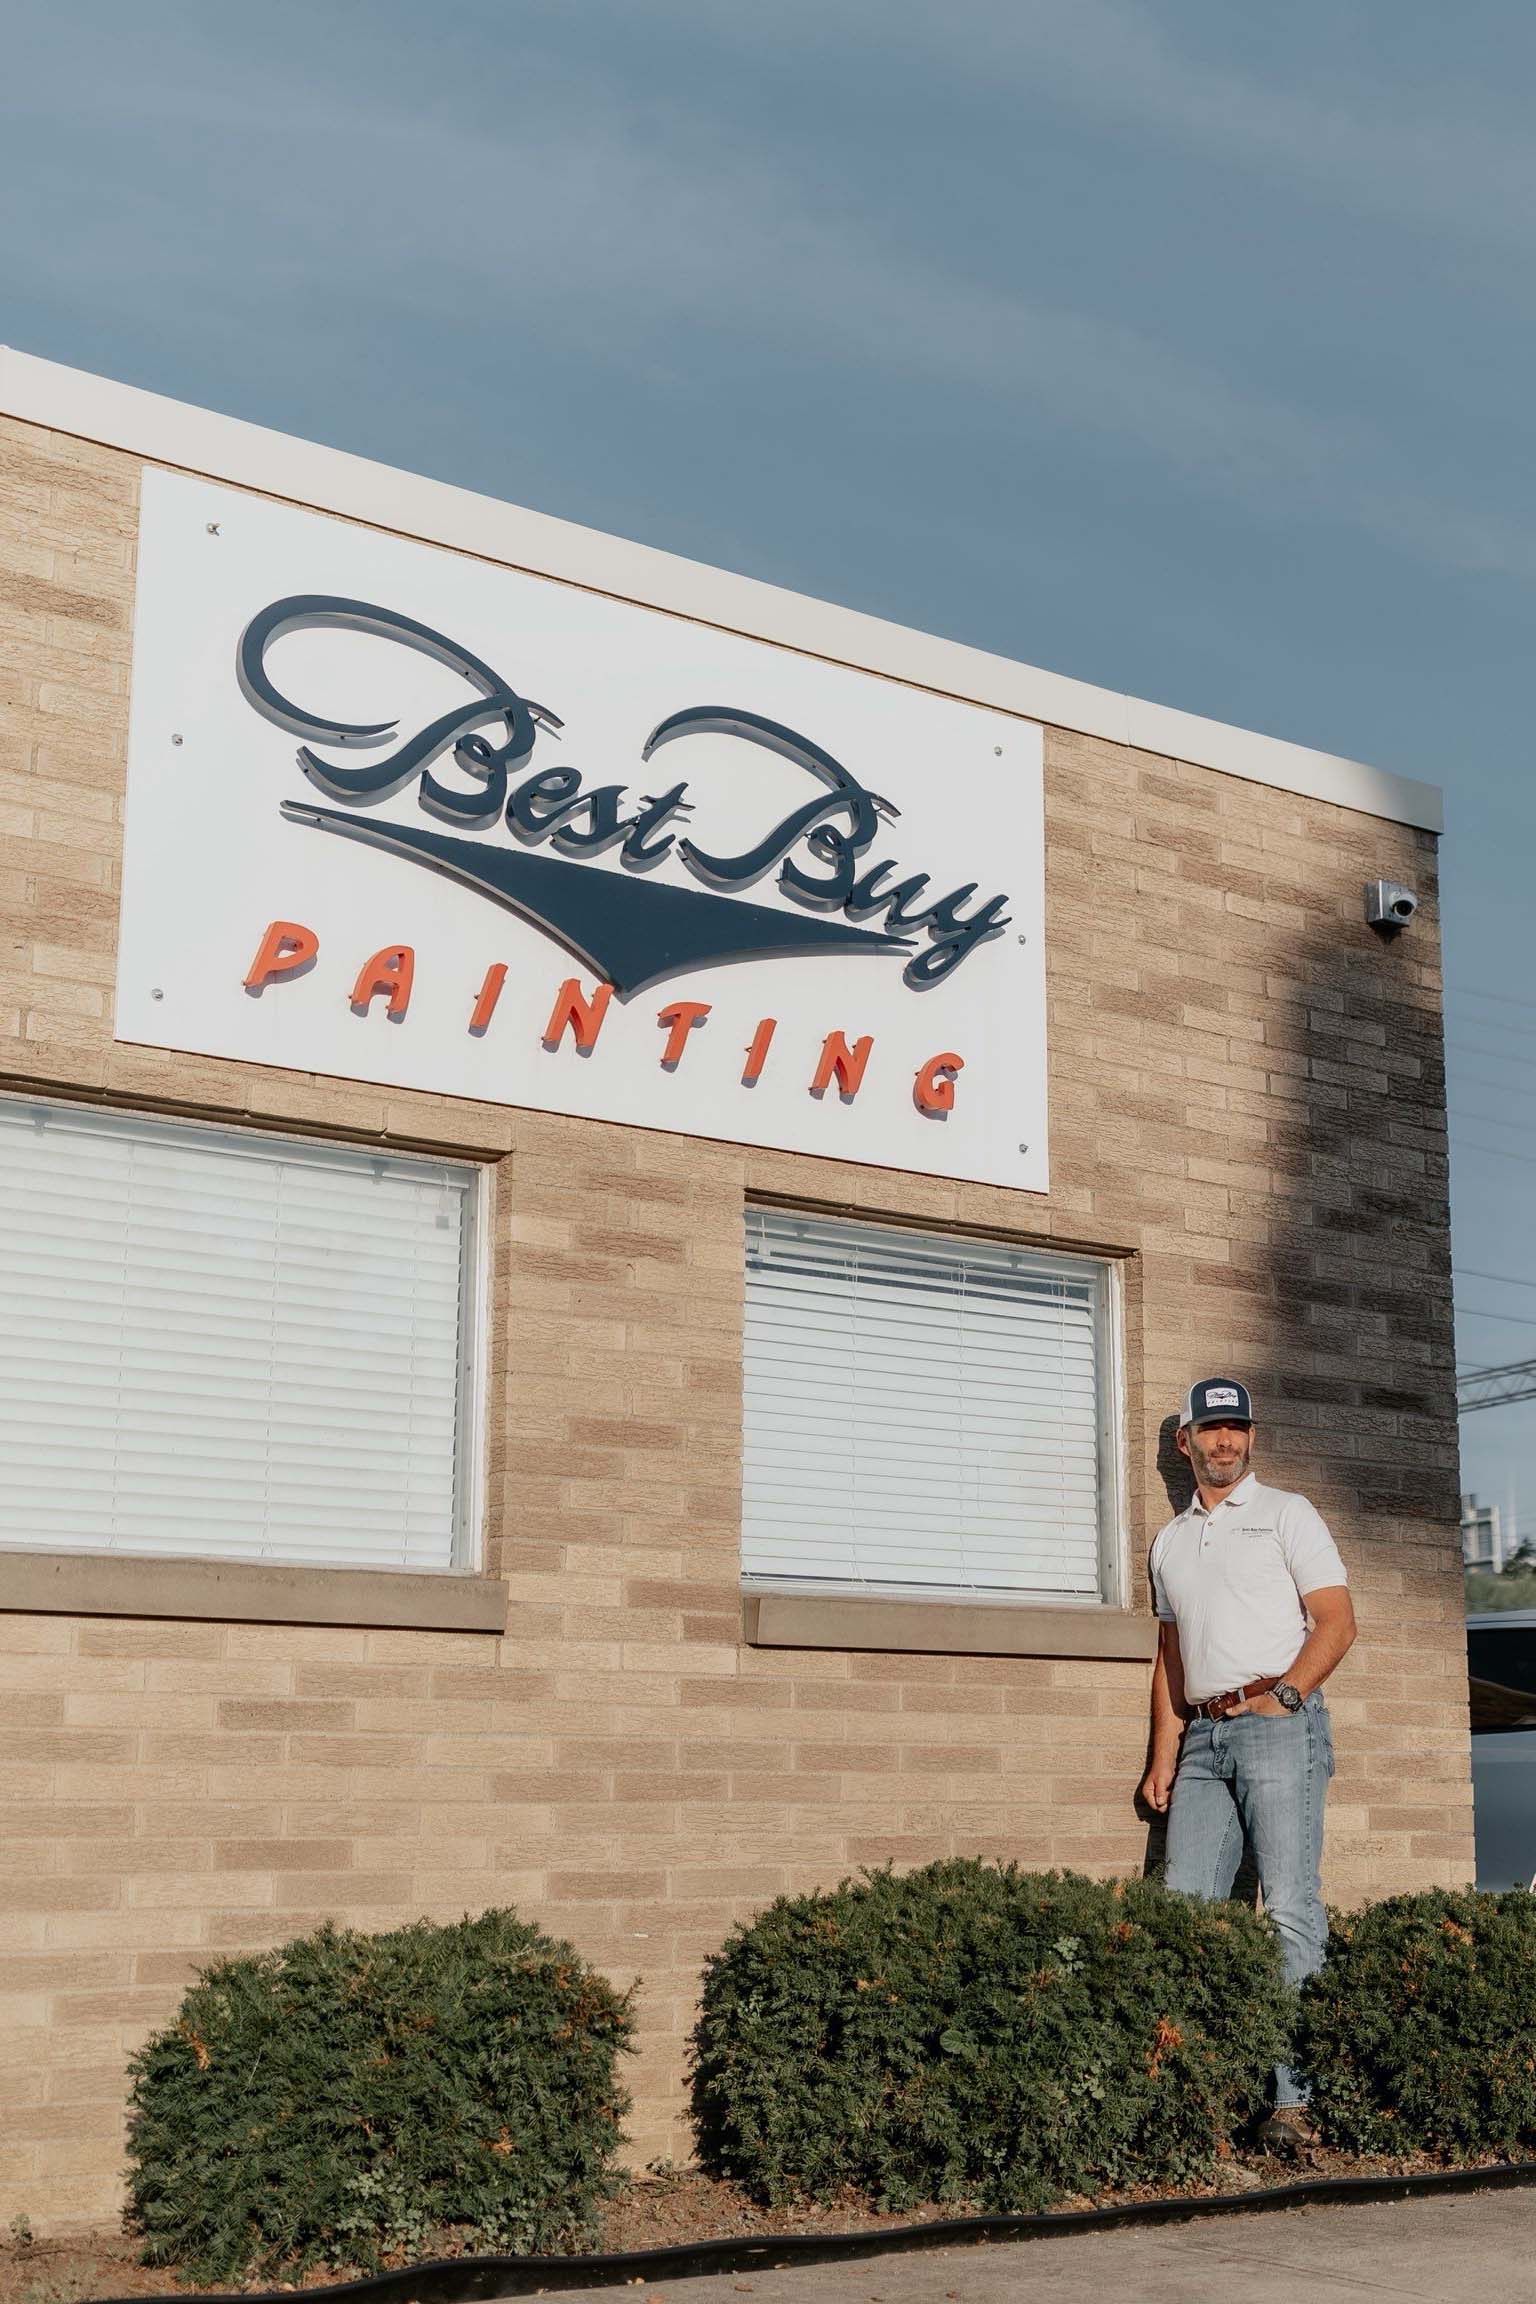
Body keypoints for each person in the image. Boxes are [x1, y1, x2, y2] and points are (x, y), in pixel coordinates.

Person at [1140, 1378, 1357, 2155]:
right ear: (1185, 1442)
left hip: (1277, 1727)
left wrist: (1288, 1698)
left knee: (1291, 1906)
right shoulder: (1169, 1541)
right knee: (1186, 1912)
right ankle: (1201, 2094)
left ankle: (1292, 2104)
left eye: (1237, 1428)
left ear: (1251, 1437)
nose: (1225, 1441)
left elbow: (1337, 1619)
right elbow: (1169, 1656)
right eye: (1211, 1429)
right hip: (1201, 1740)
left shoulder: (1286, 1514)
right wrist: (1165, 1755)